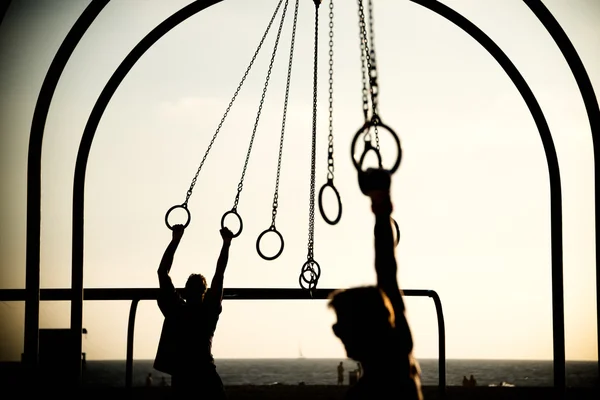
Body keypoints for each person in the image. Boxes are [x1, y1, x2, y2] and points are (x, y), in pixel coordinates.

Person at [328, 168, 423, 400]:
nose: (335, 331)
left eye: (341, 325)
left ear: (363, 328)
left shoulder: (372, 391)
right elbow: (387, 271)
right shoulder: (400, 352)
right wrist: (381, 205)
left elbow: (386, 270)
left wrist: (381, 206)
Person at [153, 224, 235, 399]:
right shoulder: (209, 311)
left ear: (185, 291)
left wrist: (175, 240)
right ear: (204, 293)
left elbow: (162, 272)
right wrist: (226, 244)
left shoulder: (176, 309)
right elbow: (219, 274)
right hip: (206, 373)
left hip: (182, 375)